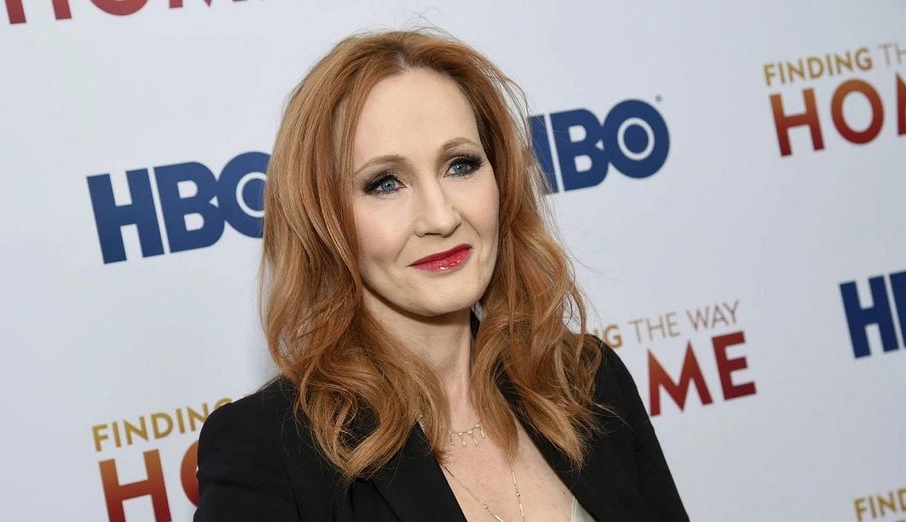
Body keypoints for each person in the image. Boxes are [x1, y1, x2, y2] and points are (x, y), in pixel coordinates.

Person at [194, 29, 688, 522]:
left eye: (460, 165)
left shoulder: (585, 379)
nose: (441, 217)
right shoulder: (267, 451)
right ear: (323, 220)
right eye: (385, 183)